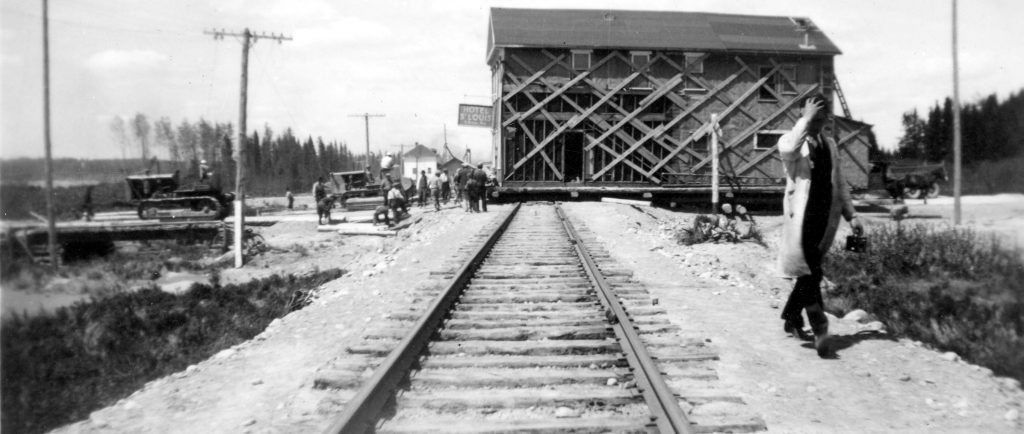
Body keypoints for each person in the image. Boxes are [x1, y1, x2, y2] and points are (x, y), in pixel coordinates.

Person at [777, 96, 864, 357]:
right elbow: (790, 150)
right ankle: (821, 329)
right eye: (812, 117)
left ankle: (792, 317)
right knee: (811, 273)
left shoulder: (831, 145)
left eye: (821, 117)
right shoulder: (789, 140)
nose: (816, 122)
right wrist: (805, 119)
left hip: (823, 218)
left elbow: (840, 182)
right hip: (800, 219)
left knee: (808, 271)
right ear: (802, 116)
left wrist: (852, 214)